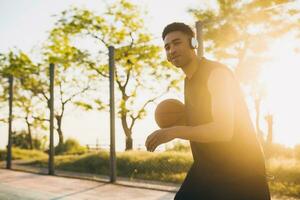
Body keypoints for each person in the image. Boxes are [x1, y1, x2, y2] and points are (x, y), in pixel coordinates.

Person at [145, 22, 270, 200]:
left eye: (177, 42)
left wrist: (174, 131)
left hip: (242, 173)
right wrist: (178, 122)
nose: (171, 49)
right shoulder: (188, 81)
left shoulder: (216, 74)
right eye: (167, 47)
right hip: (208, 169)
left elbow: (223, 130)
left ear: (193, 43)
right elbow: (203, 123)